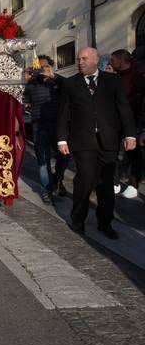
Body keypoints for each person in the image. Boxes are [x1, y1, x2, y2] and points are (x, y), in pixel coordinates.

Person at [57, 46, 136, 238]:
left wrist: (130, 135)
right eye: (78, 59)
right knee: (85, 180)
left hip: (108, 141)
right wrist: (61, 139)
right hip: (83, 142)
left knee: (106, 184)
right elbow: (63, 114)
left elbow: (123, 109)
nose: (80, 62)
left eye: (84, 58)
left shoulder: (113, 81)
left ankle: (105, 223)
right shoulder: (70, 84)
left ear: (95, 59)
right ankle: (78, 220)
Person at [24, 55, 68, 203]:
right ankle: (47, 190)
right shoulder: (31, 84)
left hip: (58, 125)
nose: (43, 69)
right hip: (39, 126)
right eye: (40, 67)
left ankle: (58, 178)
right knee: (43, 160)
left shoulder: (59, 82)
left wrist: (53, 77)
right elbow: (25, 99)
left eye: (46, 67)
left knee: (64, 156)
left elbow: (70, 88)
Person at [110, 48, 145, 198]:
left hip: (136, 120)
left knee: (134, 153)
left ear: (120, 60)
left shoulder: (138, 74)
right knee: (112, 150)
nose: (110, 63)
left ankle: (134, 182)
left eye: (113, 60)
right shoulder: (117, 76)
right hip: (118, 120)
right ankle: (115, 181)